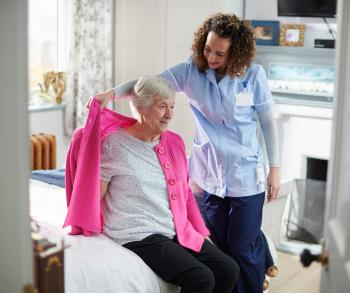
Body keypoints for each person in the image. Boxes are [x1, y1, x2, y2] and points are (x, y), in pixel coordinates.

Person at [95, 13, 280, 293]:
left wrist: (275, 167)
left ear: (236, 51)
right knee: (223, 244)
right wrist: (111, 94)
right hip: (209, 174)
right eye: (207, 49)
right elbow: (147, 85)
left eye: (219, 53)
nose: (211, 57)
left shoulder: (253, 76)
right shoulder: (191, 71)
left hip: (246, 175)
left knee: (243, 248)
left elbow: (267, 122)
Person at [67, 75, 239, 293]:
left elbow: (184, 194)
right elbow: (93, 195)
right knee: (201, 278)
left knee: (228, 269)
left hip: (173, 228)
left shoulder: (174, 142)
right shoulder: (114, 145)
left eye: (171, 106)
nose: (169, 114)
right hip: (137, 233)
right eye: (162, 107)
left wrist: (201, 232)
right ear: (140, 108)